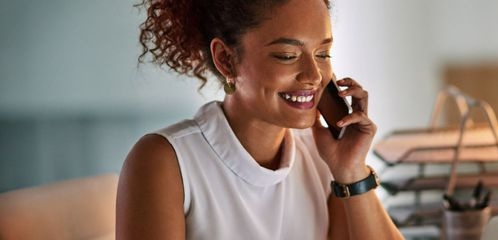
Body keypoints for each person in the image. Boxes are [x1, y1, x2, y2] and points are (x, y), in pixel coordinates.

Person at [116, 0, 403, 239]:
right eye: (287, 55)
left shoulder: (322, 160)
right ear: (226, 59)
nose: (315, 76)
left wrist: (352, 171)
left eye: (323, 53)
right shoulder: (165, 161)